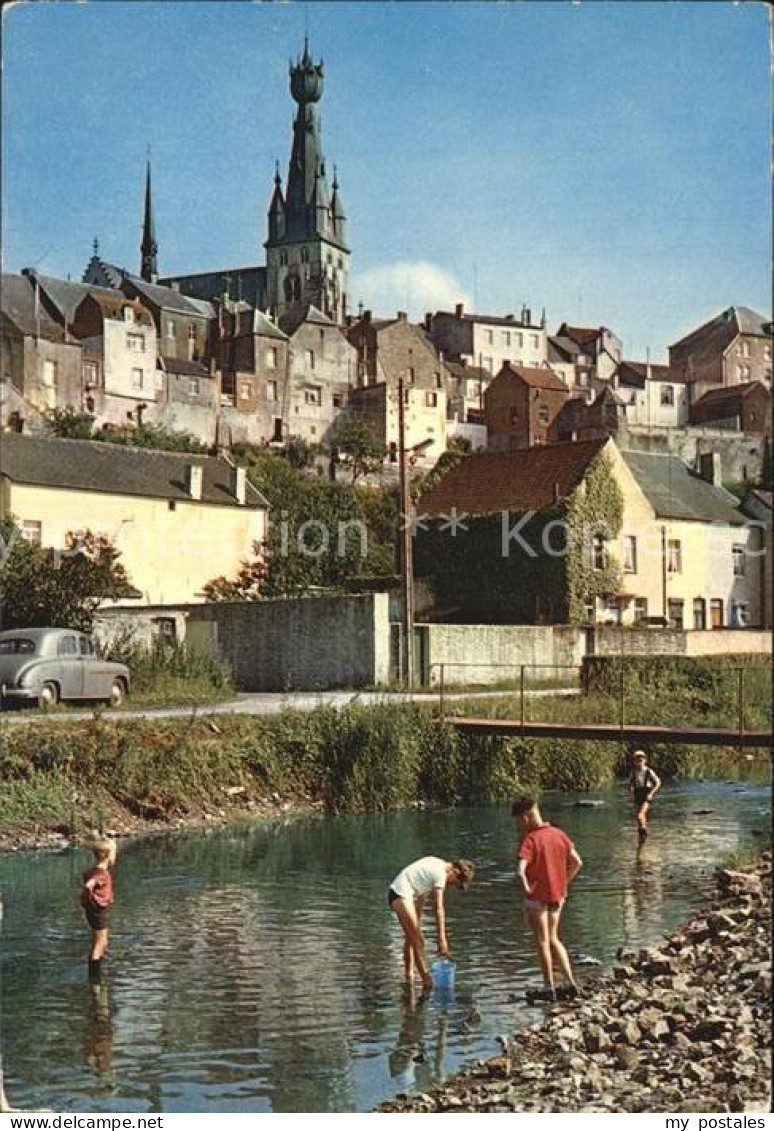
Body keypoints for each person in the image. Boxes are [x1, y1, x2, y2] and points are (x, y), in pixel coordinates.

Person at [511, 796, 583, 1003]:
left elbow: (520, 870)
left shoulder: (530, 839)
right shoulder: (559, 834)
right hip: (557, 895)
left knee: (542, 941)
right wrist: (564, 882)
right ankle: (570, 983)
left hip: (537, 897)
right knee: (554, 938)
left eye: (518, 821)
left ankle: (548, 987)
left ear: (525, 818)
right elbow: (577, 862)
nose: (518, 826)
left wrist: (525, 885)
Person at [388, 856, 475, 989]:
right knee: (418, 940)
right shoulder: (440, 874)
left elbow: (421, 897)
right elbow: (438, 908)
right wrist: (442, 939)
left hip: (405, 894)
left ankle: (409, 976)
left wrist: (417, 922)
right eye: (454, 883)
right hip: (399, 893)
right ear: (455, 872)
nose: (451, 885)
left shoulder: (436, 865)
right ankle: (427, 982)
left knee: (412, 938)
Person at [79, 837, 117, 983]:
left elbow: (87, 878)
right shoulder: (101, 873)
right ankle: (94, 976)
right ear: (108, 855)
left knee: (102, 940)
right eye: (114, 853)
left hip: (95, 910)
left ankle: (97, 969)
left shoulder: (93, 870)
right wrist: (94, 899)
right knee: (100, 942)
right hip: (98, 911)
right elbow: (89, 884)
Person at [629, 750, 661, 845]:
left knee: (640, 816)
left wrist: (651, 794)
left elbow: (658, 783)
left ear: (645, 760)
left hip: (646, 794)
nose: (639, 760)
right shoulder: (633, 772)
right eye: (637, 759)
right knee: (640, 819)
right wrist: (631, 793)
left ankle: (644, 832)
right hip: (637, 794)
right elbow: (630, 784)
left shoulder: (649, 771)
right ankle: (642, 838)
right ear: (634, 761)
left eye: (641, 758)